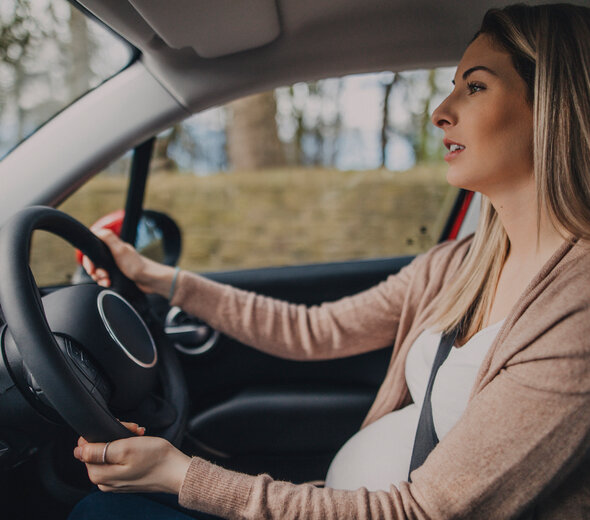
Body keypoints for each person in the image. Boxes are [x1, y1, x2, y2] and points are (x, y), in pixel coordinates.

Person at [69, 3, 590, 519]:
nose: (440, 111)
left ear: (553, 105)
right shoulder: (458, 265)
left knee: (98, 514)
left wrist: (183, 476)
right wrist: (159, 278)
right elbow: (313, 330)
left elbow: (428, 512)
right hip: (335, 500)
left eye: (474, 86)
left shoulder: (577, 312)